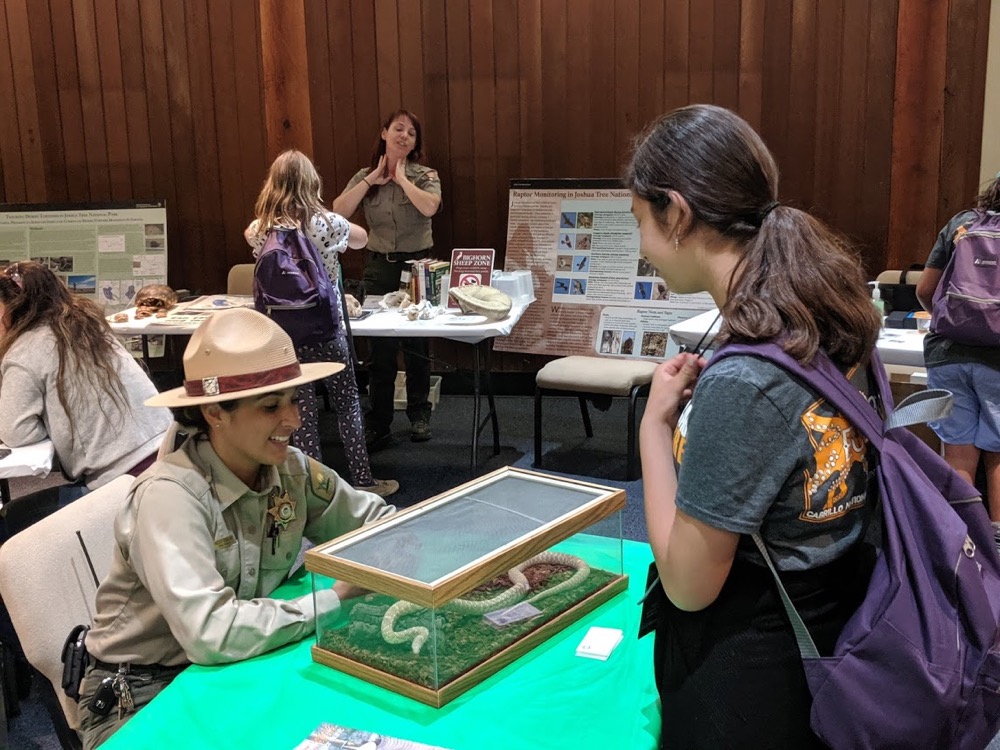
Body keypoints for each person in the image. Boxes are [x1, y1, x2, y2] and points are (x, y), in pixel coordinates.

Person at [625, 105, 882, 748]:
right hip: (832, 629)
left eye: (641, 223)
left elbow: (687, 586)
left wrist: (655, 430)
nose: (642, 249)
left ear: (677, 214)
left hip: (753, 678)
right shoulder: (828, 317)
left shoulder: (744, 380)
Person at [78, 308, 396, 748]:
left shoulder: (290, 469)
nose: (294, 421)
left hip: (235, 665)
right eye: (271, 406)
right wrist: (331, 600)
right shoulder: (171, 496)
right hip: (144, 693)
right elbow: (210, 633)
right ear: (214, 412)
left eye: (295, 399)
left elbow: (378, 526)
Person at [246, 150, 398, 498]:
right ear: (311, 183)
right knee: (347, 405)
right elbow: (362, 238)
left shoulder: (260, 229)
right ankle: (362, 480)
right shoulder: (325, 224)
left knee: (302, 412)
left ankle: (312, 489)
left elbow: (249, 234)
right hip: (327, 331)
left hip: (284, 337)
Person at [0, 261, 171, 497]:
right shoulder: (90, 325)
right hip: (170, 457)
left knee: (13, 520)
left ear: (11, 308)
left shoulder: (23, 352)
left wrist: (51, 425)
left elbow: (16, 433)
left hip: (123, 483)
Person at [332, 109, 442, 449]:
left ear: (415, 142)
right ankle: (378, 422)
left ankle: (419, 415)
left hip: (417, 266)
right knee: (379, 348)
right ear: (384, 134)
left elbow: (430, 208)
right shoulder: (366, 176)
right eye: (398, 129)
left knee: (417, 346)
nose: (404, 136)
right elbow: (337, 212)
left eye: (411, 132)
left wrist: (402, 179)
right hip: (378, 266)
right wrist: (372, 180)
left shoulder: (425, 175)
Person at [916, 172, 1000, 543]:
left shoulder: (962, 224)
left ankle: (961, 545)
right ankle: (997, 549)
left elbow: (925, 289)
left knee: (958, 453)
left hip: (948, 354)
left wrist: (947, 319)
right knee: (999, 455)